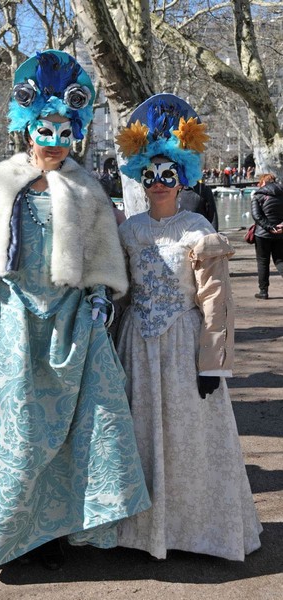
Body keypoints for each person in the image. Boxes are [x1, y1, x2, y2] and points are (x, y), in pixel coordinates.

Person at [0, 50, 150, 571]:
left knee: (68, 434)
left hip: (69, 325)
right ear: (28, 127)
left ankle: (53, 534)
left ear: (75, 131)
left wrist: (96, 297)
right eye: (45, 128)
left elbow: (101, 258)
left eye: (64, 130)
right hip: (8, 326)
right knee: (12, 434)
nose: (54, 139)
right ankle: (6, 533)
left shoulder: (87, 188)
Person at [114, 93, 262, 561]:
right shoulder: (129, 230)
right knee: (141, 439)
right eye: (151, 176)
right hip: (137, 346)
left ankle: (197, 530)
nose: (159, 184)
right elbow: (118, 292)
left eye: (168, 175)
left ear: (182, 177)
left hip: (183, 347)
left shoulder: (197, 228)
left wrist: (213, 364)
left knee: (190, 440)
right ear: (141, 177)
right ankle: (142, 531)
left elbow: (216, 301)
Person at [251, 173, 283, 299]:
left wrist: (270, 227)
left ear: (263, 182)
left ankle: (263, 291)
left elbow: (257, 216)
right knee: (280, 260)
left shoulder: (258, 195)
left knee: (263, 262)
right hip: (281, 233)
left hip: (263, 234)